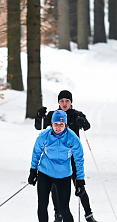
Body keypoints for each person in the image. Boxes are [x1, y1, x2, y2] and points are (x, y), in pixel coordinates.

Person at [34, 90, 97, 222]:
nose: (64, 103)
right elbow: (39, 127)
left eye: (67, 101)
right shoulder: (53, 115)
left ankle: (88, 214)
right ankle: (58, 214)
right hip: (55, 160)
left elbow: (87, 127)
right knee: (54, 188)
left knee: (79, 186)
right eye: (61, 101)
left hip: (72, 157)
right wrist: (39, 117)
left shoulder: (76, 115)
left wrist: (83, 122)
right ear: (58, 102)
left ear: (71, 102)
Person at [29, 110, 86, 222]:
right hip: (45, 173)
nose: (58, 127)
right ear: (52, 124)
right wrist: (33, 171)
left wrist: (80, 180)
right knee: (42, 205)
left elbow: (79, 160)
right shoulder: (44, 136)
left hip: (63, 176)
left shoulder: (72, 138)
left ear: (65, 125)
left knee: (63, 209)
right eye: (55, 124)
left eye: (61, 124)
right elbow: (36, 153)